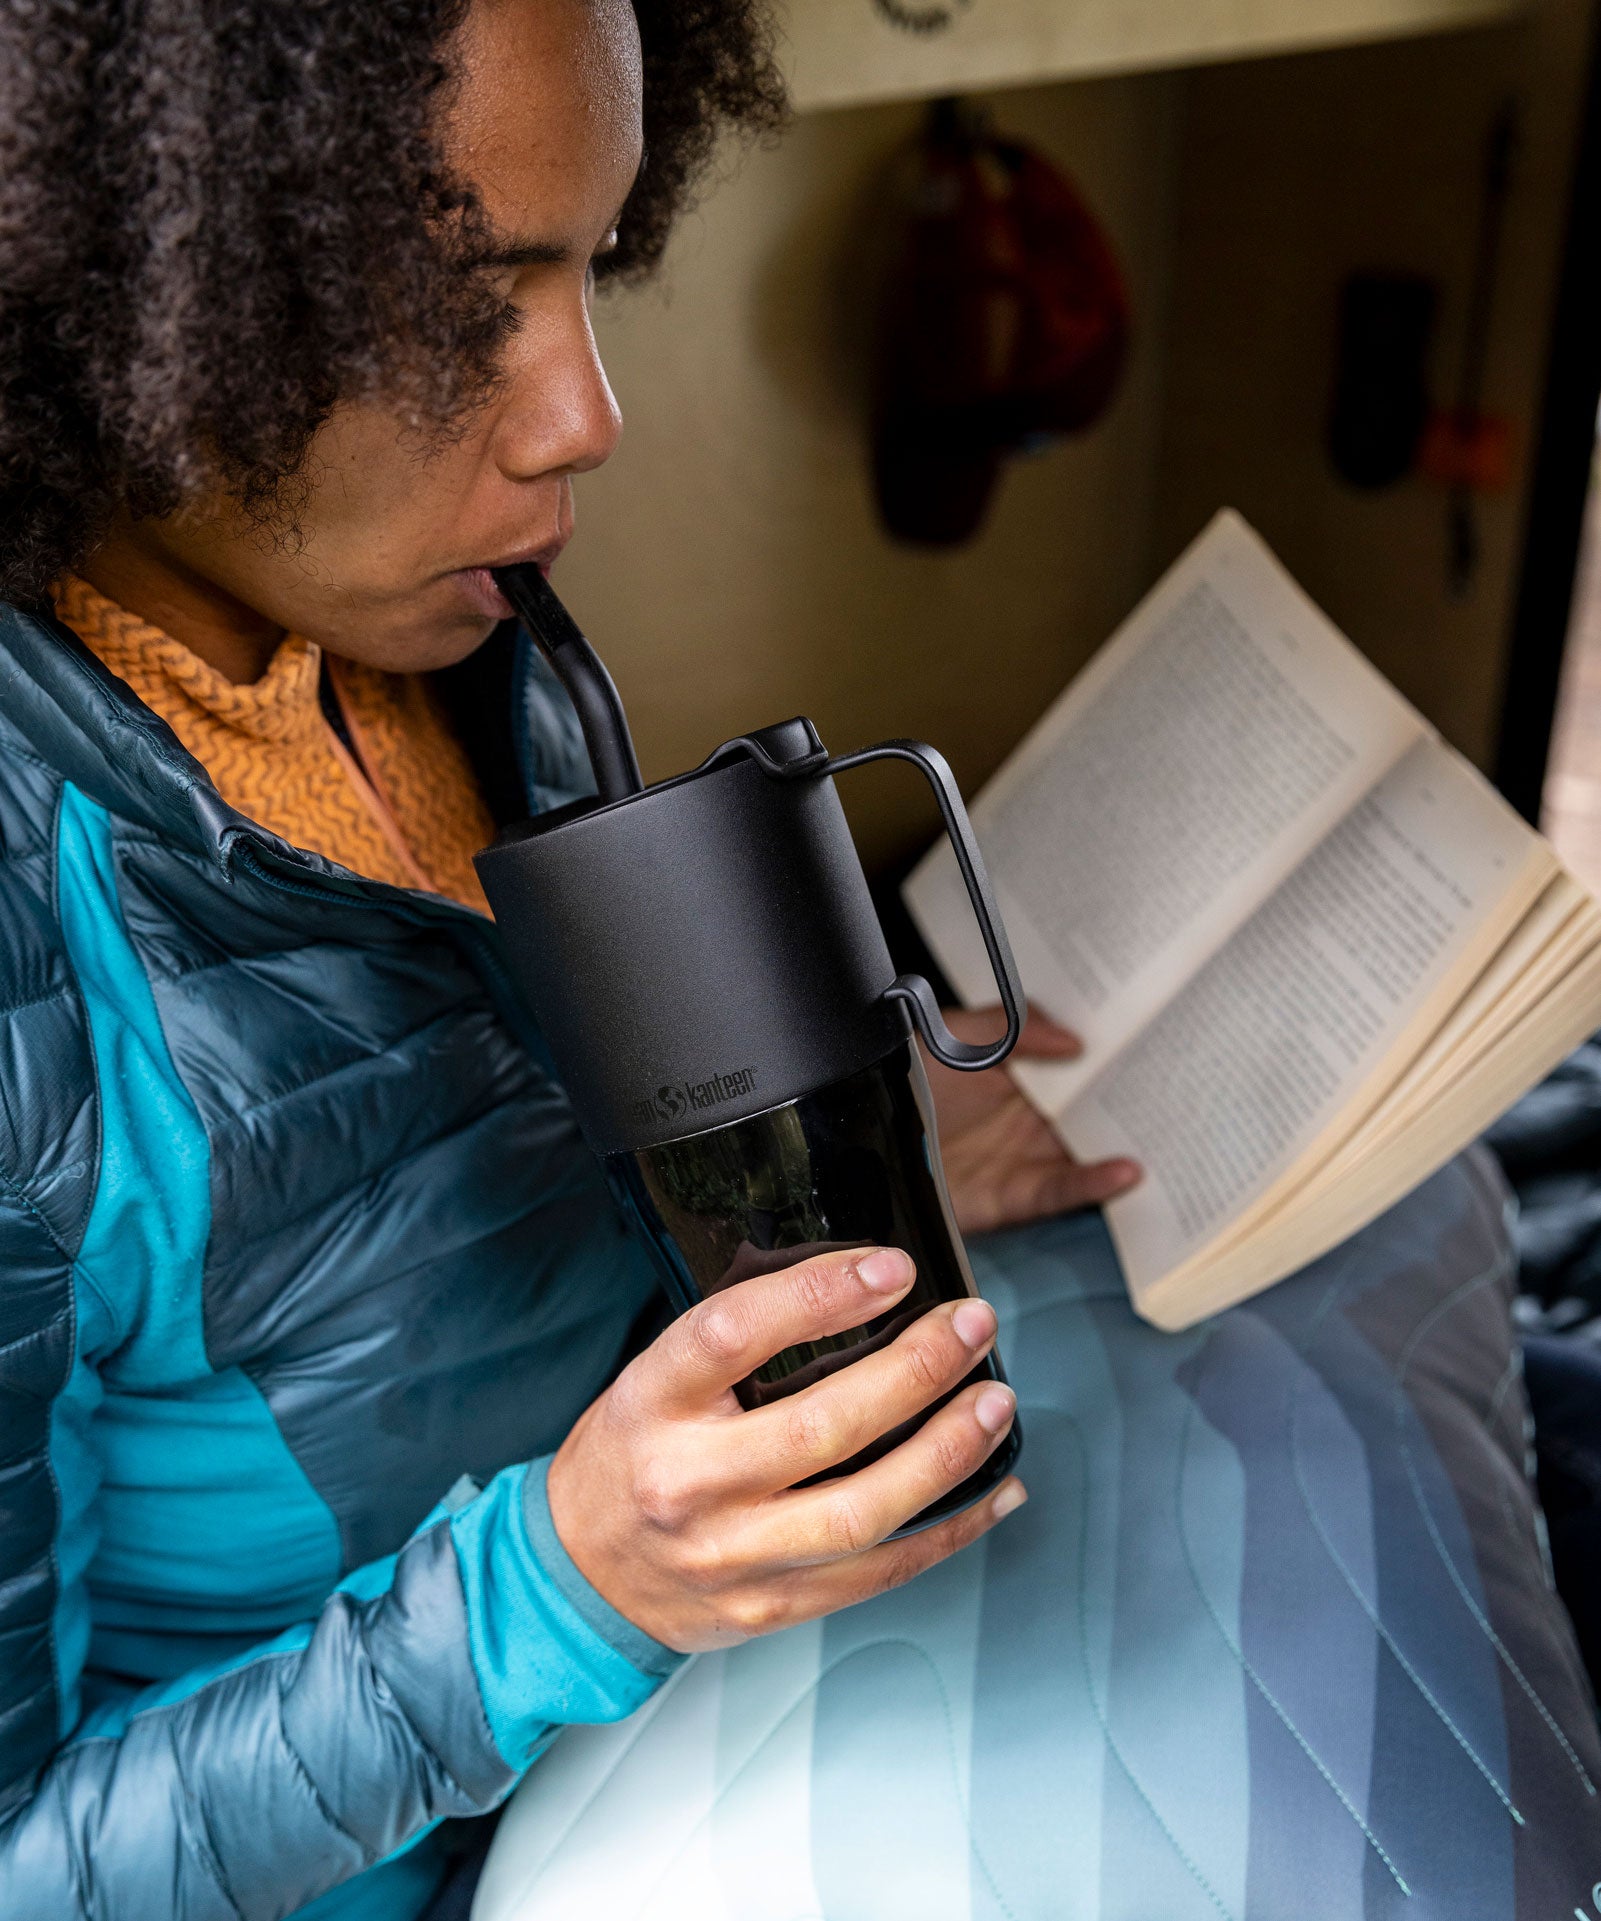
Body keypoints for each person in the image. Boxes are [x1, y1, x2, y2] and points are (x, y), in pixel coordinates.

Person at [0, 2, 1140, 1915]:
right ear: (140, 278)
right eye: (463, 297)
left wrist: (870, 1179)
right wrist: (557, 1595)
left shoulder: (461, 653)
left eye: (593, 262)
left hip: (685, 1763)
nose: (585, 411)